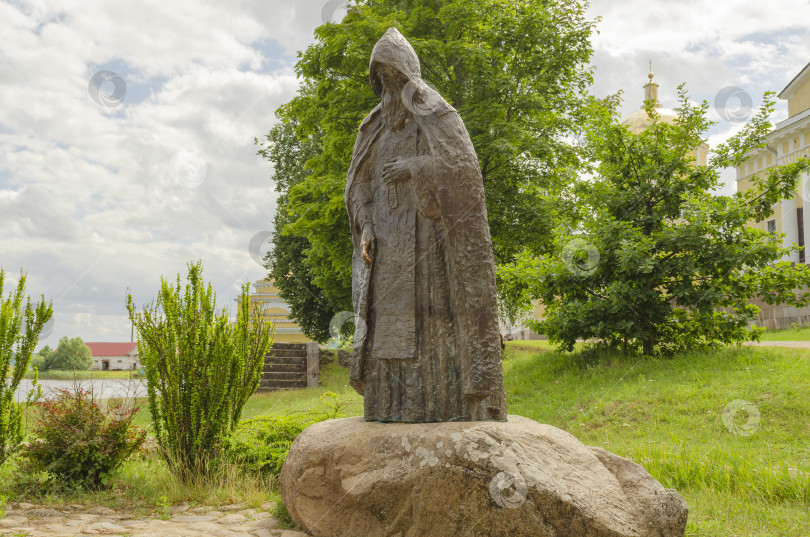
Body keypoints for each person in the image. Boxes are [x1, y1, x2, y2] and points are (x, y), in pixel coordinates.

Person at [345, 28, 506, 422]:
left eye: (397, 79)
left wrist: (415, 168)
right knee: (389, 327)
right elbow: (359, 183)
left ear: (409, 77)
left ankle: (440, 405)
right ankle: (387, 407)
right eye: (383, 81)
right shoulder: (374, 125)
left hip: (427, 245)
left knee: (432, 325)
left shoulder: (435, 112)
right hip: (385, 244)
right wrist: (365, 224)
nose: (391, 89)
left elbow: (462, 171)